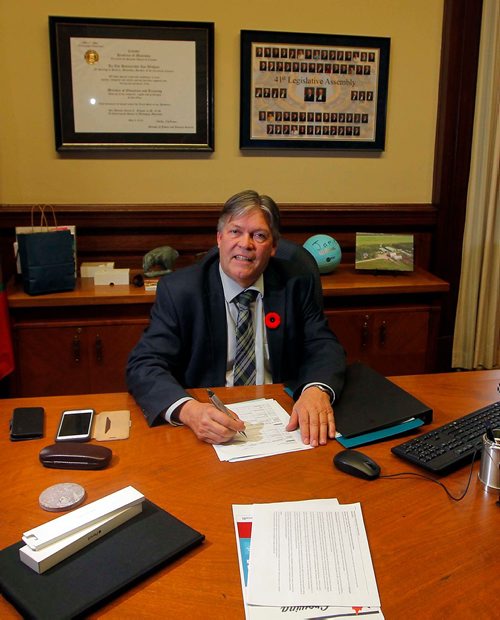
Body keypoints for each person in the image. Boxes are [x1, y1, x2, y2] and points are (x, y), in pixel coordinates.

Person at [126, 190, 346, 446]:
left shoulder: (295, 284)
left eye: (259, 235)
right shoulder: (181, 291)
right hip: (210, 426)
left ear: (274, 246)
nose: (245, 243)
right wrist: (189, 411)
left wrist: (315, 390)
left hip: (285, 423)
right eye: (235, 232)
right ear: (219, 238)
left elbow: (324, 346)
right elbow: (143, 364)